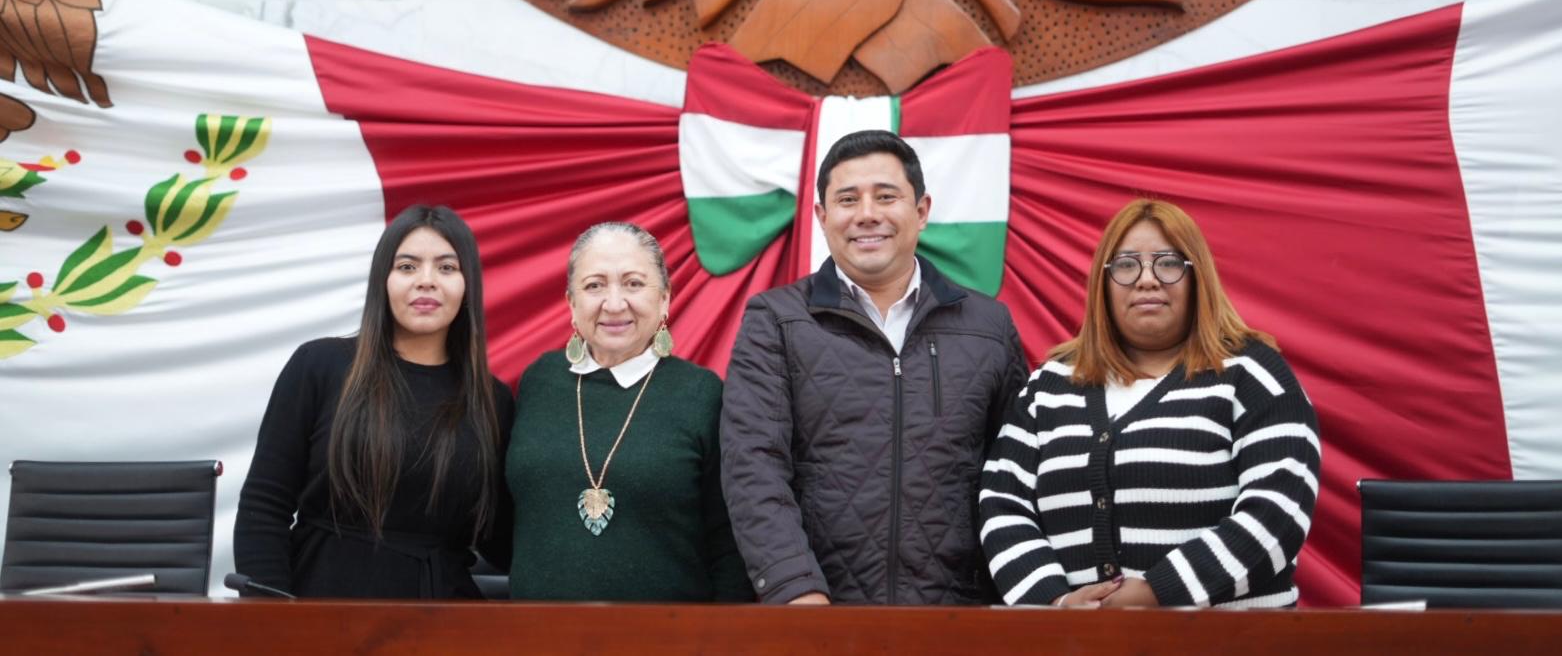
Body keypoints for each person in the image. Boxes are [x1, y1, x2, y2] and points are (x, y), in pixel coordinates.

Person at [721, 130, 1028, 605]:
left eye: (886, 196)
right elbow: (753, 464)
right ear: (822, 216)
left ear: (921, 210)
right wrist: (794, 588)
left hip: (960, 617)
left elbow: (1016, 474)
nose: (867, 214)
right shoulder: (778, 320)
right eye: (848, 199)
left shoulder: (988, 326)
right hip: (817, 613)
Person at [980, 198, 1321, 609]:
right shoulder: (1049, 386)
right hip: (1076, 646)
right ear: (1102, 284)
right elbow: (1002, 506)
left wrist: (1158, 592)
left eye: (1168, 262)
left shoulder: (1253, 375)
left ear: (1198, 277)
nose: (1146, 279)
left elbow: (1278, 514)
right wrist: (1056, 603)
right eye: (1125, 265)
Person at [233, 205, 513, 598]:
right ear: (383, 279)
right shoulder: (320, 366)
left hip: (445, 618)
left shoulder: (492, 400)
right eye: (407, 267)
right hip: (321, 607)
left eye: (447, 268)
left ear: (469, 285)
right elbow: (265, 505)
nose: (427, 282)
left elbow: (501, 539)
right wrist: (272, 615)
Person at [505, 221, 751, 601]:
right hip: (537, 634)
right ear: (571, 302)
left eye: (634, 284)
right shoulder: (539, 381)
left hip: (668, 639)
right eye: (594, 285)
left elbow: (729, 547)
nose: (614, 303)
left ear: (665, 298)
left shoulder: (704, 395)